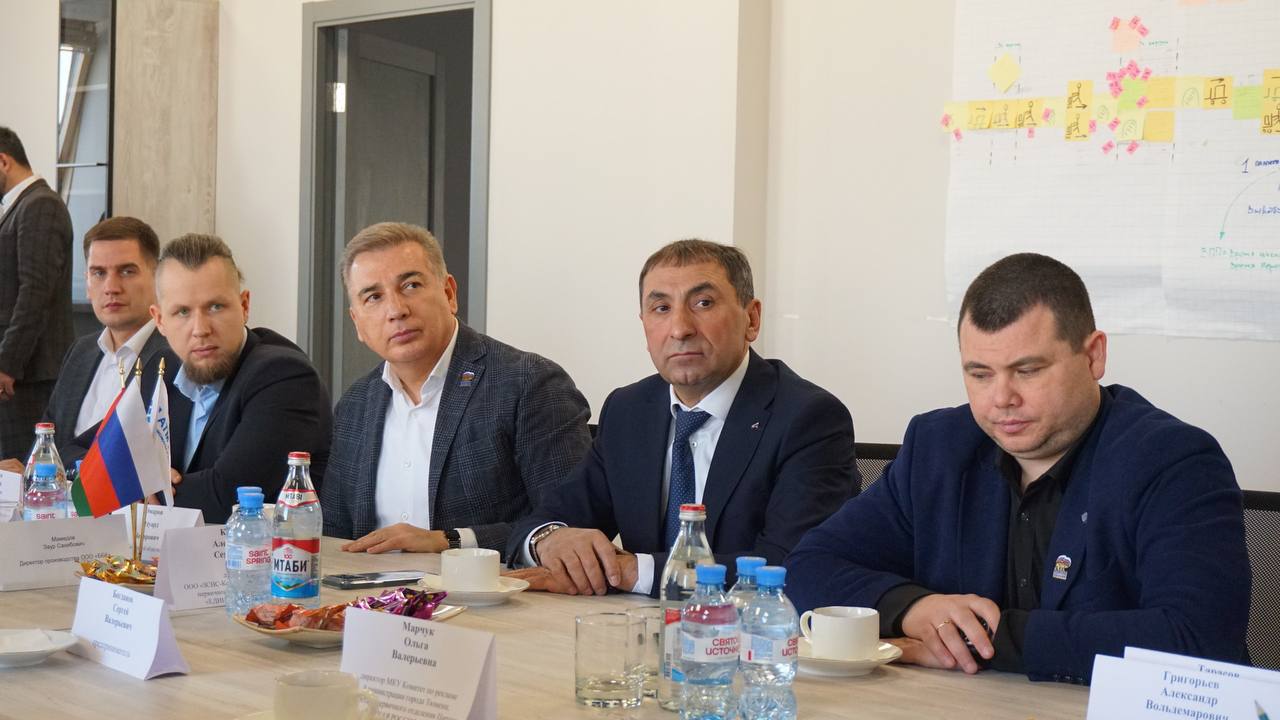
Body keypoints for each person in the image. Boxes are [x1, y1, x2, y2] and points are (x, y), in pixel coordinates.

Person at [785, 253, 1249, 684]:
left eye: (1027, 371)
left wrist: (983, 639)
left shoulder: (1174, 461)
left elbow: (1197, 638)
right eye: (980, 374)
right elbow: (810, 565)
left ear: (1093, 356)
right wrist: (912, 609)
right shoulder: (938, 448)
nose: (1001, 398)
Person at [507, 239, 857, 597]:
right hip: (634, 623)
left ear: (751, 319)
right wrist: (549, 539)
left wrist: (634, 571)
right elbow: (546, 519)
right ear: (644, 325)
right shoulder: (629, 410)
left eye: (703, 303)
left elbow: (795, 564)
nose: (680, 328)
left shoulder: (809, 418)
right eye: (661, 308)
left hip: (749, 628)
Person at [321, 222, 592, 556]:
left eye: (410, 285)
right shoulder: (354, 406)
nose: (396, 310)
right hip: (369, 588)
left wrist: (449, 540)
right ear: (357, 323)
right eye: (373, 297)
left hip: (488, 587)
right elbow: (333, 539)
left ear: (449, 293)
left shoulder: (528, 382)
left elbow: (571, 525)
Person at [150, 233, 332, 523]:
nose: (200, 329)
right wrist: (125, 476)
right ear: (160, 320)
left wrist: (137, 490)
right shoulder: (163, 367)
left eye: (215, 307)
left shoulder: (284, 375)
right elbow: (85, 450)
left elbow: (227, 498)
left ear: (244, 306)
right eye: (182, 312)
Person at [44, 218, 168, 464]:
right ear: (87, 284)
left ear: (157, 278)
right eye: (99, 273)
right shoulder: (80, 352)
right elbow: (47, 443)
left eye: (127, 271)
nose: (111, 287)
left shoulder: (175, 355)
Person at [0, 127, 73, 460]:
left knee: (24, 473)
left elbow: (35, 292)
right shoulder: (22, 206)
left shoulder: (40, 205)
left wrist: (7, 363)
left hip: (28, 375)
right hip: (20, 373)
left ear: (3, 161)